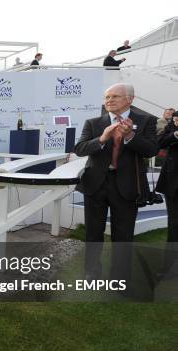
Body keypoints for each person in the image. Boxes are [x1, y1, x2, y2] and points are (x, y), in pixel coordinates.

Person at [74, 83, 158, 278]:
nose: (109, 100)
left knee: (123, 234)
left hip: (127, 186)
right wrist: (102, 138)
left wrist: (130, 135)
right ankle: (92, 272)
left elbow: (152, 150)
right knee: (93, 232)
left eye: (115, 97)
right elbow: (80, 149)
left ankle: (119, 276)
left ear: (129, 99)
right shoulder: (93, 123)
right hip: (95, 184)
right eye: (107, 97)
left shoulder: (146, 121)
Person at [157, 112, 178, 241]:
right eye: (175, 120)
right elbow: (160, 143)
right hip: (172, 179)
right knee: (174, 219)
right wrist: (175, 134)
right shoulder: (170, 128)